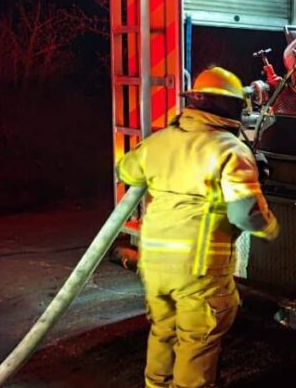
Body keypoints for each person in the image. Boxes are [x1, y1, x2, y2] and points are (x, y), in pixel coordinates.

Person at [117, 66, 279, 388]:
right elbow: (245, 215)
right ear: (231, 106)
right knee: (197, 340)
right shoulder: (230, 150)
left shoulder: (158, 141)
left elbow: (127, 172)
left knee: (163, 331)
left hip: (154, 265)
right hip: (198, 269)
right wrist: (271, 228)